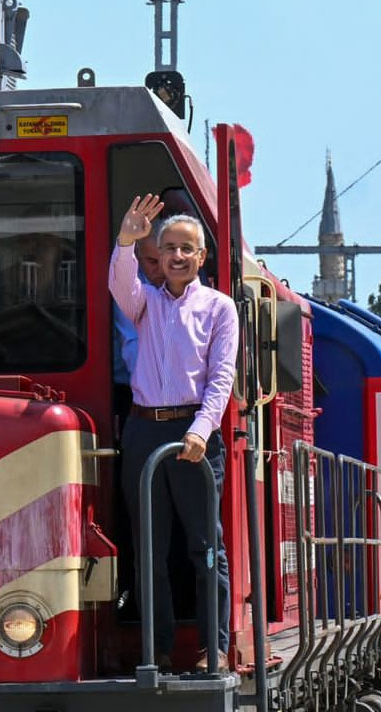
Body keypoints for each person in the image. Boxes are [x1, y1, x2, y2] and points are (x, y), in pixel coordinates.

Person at [110, 193, 237, 673]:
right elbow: (121, 285)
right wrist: (126, 240)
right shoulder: (145, 305)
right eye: (169, 249)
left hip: (194, 432)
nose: (178, 257)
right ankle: (156, 648)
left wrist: (202, 431)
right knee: (150, 548)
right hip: (145, 429)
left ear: (201, 257)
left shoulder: (219, 308)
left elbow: (221, 378)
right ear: (158, 258)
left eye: (187, 249)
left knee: (205, 546)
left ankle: (214, 648)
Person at [111, 233, 165, 419]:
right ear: (138, 256)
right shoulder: (131, 286)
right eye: (152, 262)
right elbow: (132, 343)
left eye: (165, 260)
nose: (161, 270)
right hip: (130, 389)